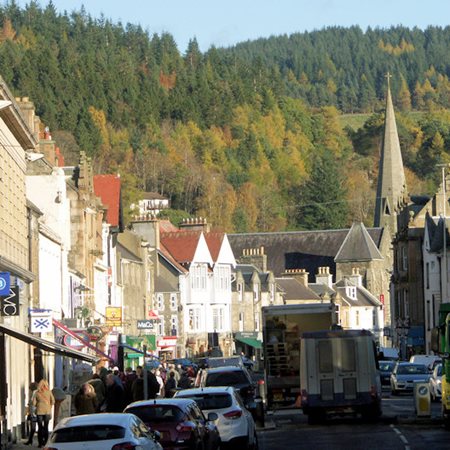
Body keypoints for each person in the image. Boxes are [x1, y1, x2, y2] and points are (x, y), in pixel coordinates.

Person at [33, 379, 55, 448]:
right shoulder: (49, 392)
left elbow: (34, 403)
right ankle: (46, 443)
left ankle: (40, 443)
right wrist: (49, 406)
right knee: (46, 427)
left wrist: (38, 405)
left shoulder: (37, 393)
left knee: (39, 427)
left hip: (39, 412)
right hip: (47, 412)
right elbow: (53, 401)